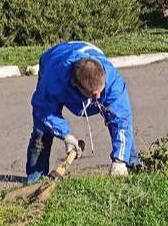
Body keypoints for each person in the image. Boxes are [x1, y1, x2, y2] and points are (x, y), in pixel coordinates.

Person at [27, 41, 137, 184]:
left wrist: (119, 160)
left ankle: (131, 166)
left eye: (100, 91)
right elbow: (44, 110)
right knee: (42, 131)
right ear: (75, 85)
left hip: (86, 54)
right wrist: (65, 135)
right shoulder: (53, 79)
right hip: (54, 58)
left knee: (117, 119)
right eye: (92, 94)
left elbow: (121, 120)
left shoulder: (112, 81)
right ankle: (35, 181)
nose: (98, 96)